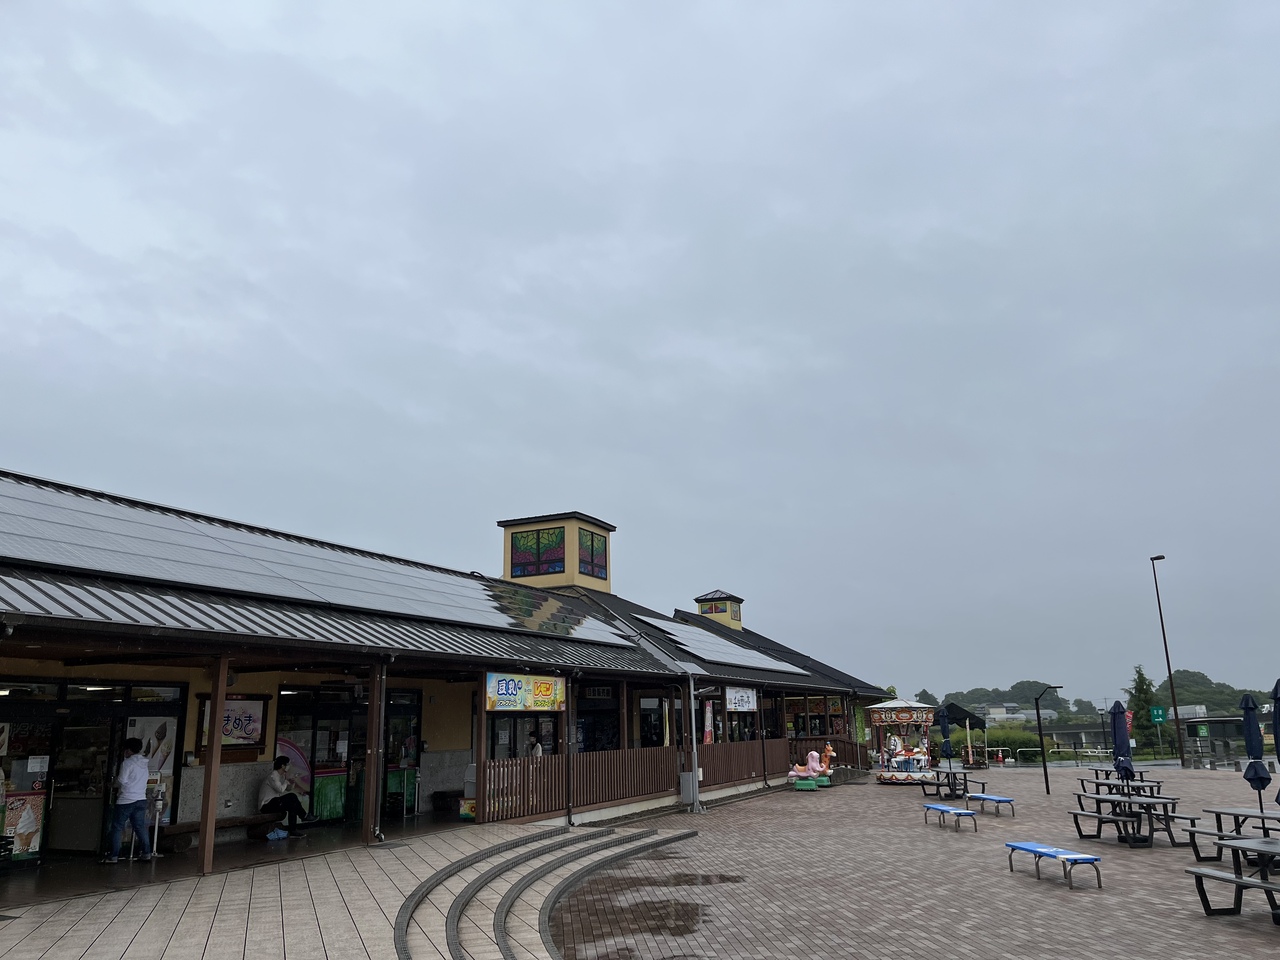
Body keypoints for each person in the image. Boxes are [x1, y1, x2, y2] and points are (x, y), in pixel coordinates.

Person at [104, 737, 151, 863]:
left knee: (117, 827)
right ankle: (146, 853)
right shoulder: (144, 764)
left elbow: (121, 781)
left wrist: (111, 785)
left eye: (125, 749)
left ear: (129, 750)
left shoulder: (127, 763)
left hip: (126, 800)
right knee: (140, 827)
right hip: (141, 799)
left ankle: (113, 855)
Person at [258, 756, 315, 837]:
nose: (289, 766)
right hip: (266, 805)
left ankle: (293, 830)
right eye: (288, 764)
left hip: (275, 803)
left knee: (292, 805)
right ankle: (303, 816)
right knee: (292, 796)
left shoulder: (282, 776)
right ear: (282, 766)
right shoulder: (273, 776)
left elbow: (288, 789)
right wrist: (286, 782)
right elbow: (280, 789)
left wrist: (292, 782)